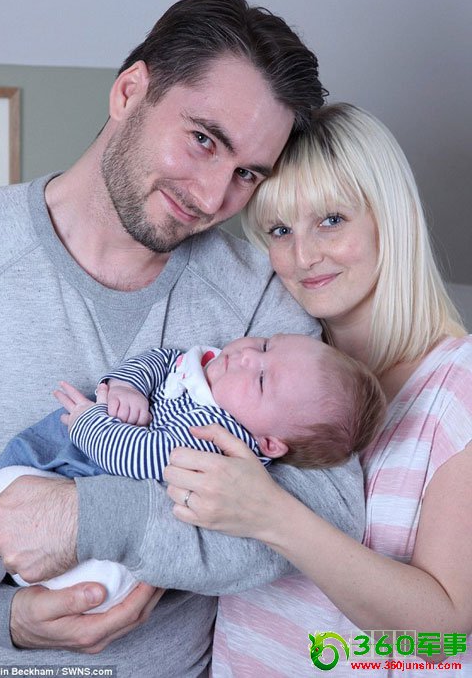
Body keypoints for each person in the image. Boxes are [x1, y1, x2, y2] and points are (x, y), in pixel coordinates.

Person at [0, 0, 365, 676]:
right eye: (203, 140)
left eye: (246, 173)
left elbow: (319, 521)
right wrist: (5, 622)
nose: (213, 198)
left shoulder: (260, 301)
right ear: (130, 92)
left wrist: (96, 518)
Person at [163, 103, 472, 676]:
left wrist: (272, 515)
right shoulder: (250, 367)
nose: (303, 257)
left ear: (391, 218)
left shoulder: (459, 385)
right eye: (280, 231)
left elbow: (444, 631)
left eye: (331, 220)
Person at [0, 334, 385, 625]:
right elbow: (158, 359)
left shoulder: (221, 439)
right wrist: (127, 386)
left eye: (260, 379)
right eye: (264, 345)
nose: (245, 356)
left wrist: (88, 423)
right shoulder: (204, 365)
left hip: (95, 569)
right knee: (1, 512)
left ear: (270, 443)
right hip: (49, 512)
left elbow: (141, 457)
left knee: (6, 487)